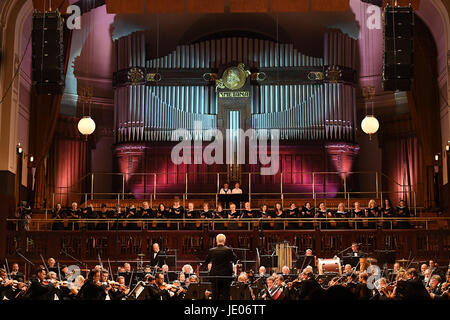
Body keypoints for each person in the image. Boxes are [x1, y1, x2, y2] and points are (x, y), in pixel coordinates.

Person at [203, 234, 238, 300]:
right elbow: (235, 260)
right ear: (224, 241)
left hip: (215, 277)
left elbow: (206, 262)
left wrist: (209, 269)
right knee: (226, 295)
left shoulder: (212, 250)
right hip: (226, 277)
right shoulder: (228, 250)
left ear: (216, 241)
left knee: (215, 295)